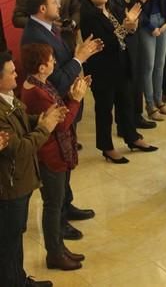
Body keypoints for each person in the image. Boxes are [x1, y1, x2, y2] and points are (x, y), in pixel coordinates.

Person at [20, 44, 88, 271]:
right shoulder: (37, 92)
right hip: (50, 155)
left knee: (56, 205)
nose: (55, 63)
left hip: (53, 152)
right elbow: (60, 125)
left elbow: (57, 106)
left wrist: (69, 94)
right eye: (51, 60)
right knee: (53, 206)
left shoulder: (40, 83)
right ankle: (55, 253)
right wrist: (76, 100)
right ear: (41, 67)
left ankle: (59, 247)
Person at [0, 50, 64, 287]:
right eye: (11, 71)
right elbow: (19, 149)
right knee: (9, 240)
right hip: (11, 185)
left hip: (21, 181)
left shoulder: (10, 98)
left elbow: (22, 122)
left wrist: (38, 119)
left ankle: (18, 278)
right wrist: (45, 128)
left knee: (15, 236)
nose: (17, 73)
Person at [80, 0, 158, 163]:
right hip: (102, 69)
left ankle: (132, 137)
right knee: (105, 109)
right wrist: (125, 27)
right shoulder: (89, 16)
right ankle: (107, 147)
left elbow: (126, 31)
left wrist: (132, 26)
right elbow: (102, 43)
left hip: (122, 63)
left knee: (126, 102)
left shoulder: (112, 8)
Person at [106, 0, 161, 129]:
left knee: (136, 76)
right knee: (127, 81)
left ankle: (135, 116)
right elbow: (122, 13)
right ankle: (126, 122)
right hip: (123, 39)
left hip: (134, 36)